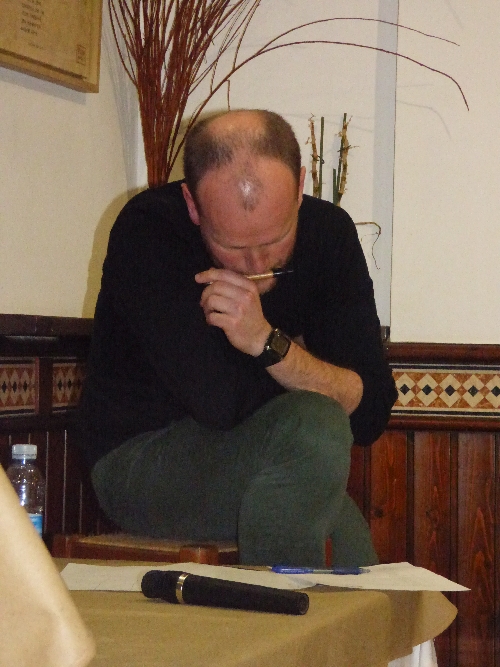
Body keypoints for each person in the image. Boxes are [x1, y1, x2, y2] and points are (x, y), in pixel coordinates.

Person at [75, 109, 397, 567]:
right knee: (315, 424)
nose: (255, 264)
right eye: (231, 246)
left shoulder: (329, 233)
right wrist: (320, 377)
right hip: (138, 460)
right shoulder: (148, 228)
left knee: (354, 557)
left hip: (272, 449)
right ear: (193, 205)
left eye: (275, 239)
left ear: (300, 187)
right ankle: (278, 606)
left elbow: (371, 413)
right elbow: (219, 400)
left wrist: (266, 340)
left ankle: (290, 602)